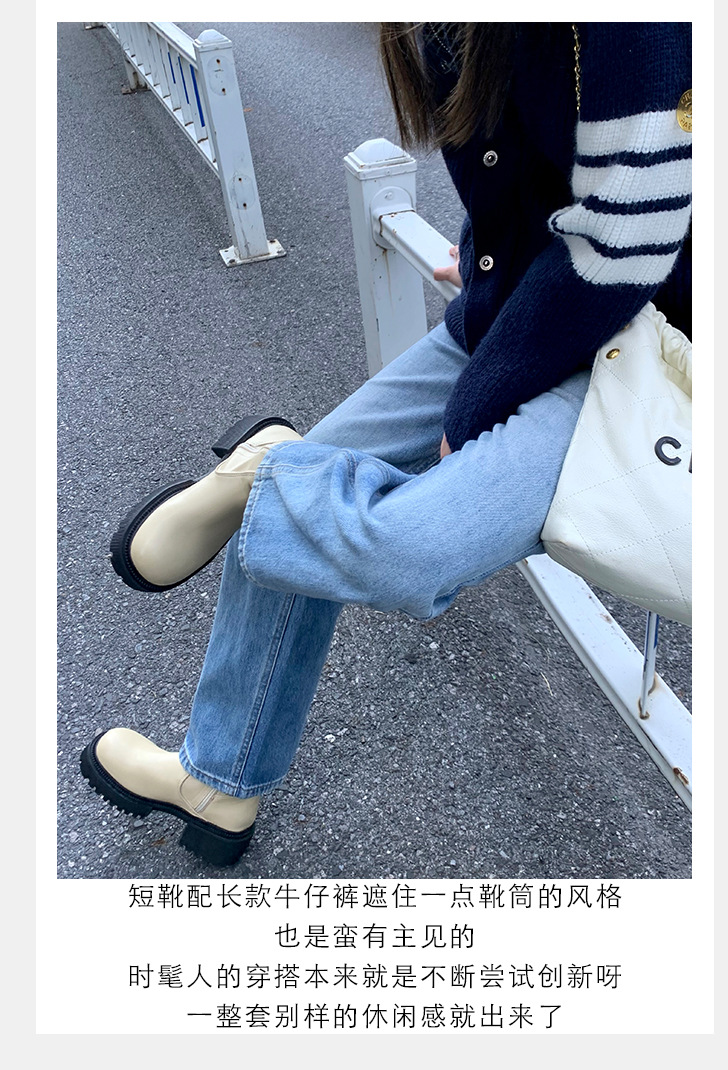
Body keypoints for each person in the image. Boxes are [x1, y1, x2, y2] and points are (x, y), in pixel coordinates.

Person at [80, 22, 692, 867]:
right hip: (524, 312)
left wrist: (472, 408)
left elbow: (631, 233)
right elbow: (520, 166)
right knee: (310, 502)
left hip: (648, 348)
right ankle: (220, 779)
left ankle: (264, 469)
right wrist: (488, 255)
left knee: (399, 546)